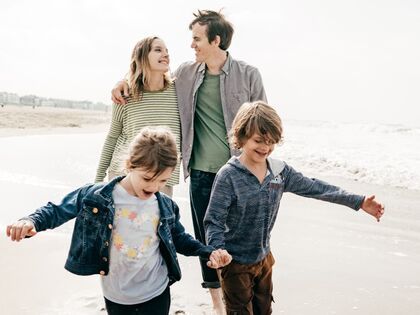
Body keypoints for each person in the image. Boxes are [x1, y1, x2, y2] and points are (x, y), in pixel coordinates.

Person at [111, 10, 266, 313]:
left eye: (196, 38)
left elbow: (264, 121)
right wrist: (121, 83)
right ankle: (218, 304)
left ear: (216, 40)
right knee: (206, 238)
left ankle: (245, 296)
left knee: (241, 237)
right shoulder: (186, 74)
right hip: (200, 172)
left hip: (240, 173)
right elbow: (150, 76)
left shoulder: (248, 74)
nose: (191, 44)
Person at [6, 127, 232, 315]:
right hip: (116, 295)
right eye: (147, 178)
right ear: (130, 165)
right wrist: (31, 221)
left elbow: (180, 239)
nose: (153, 187)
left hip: (157, 291)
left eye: (162, 181)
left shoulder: (164, 205)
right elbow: (58, 210)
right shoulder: (97, 197)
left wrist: (207, 251)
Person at [204, 101, 385, 315]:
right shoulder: (229, 176)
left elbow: (315, 187)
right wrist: (217, 249)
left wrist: (358, 201)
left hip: (264, 259)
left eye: (271, 142)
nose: (265, 147)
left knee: (264, 310)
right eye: (258, 140)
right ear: (241, 137)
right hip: (235, 263)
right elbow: (213, 220)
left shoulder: (279, 172)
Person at [96, 36, 181, 197]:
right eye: (158, 50)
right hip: (124, 176)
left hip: (162, 178)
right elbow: (113, 136)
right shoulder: (125, 94)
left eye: (167, 51)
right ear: (142, 56)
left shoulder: (178, 91)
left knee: (158, 222)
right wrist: (98, 180)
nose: (166, 54)